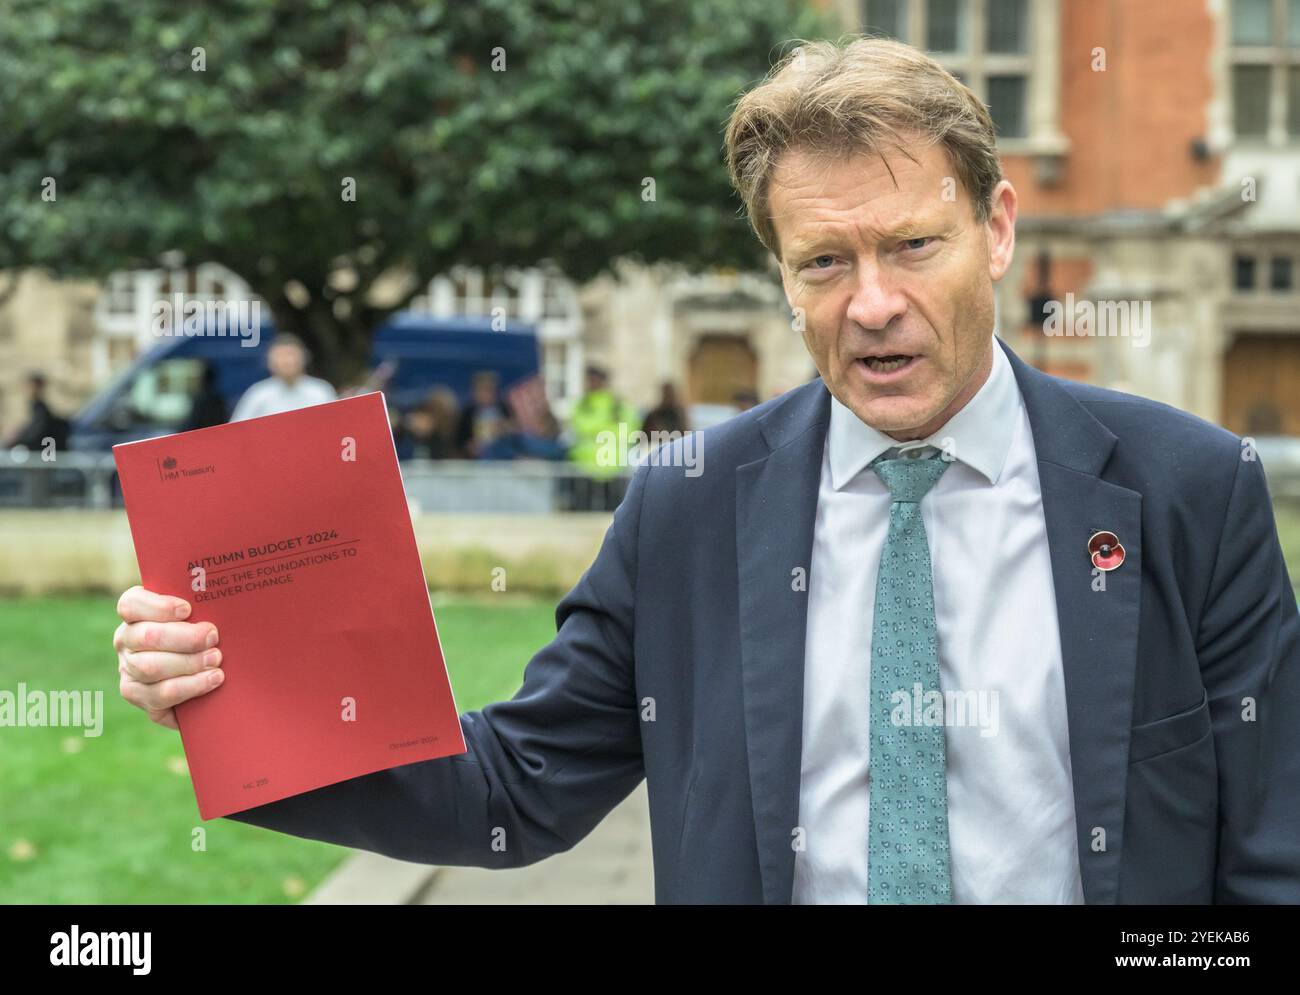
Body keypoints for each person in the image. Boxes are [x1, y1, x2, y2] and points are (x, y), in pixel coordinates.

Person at [112, 37, 1300, 904]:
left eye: (913, 246)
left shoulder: (1187, 489)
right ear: (779, 274)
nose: (872, 302)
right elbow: (513, 785)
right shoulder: (687, 502)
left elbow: (1269, 849)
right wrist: (233, 703)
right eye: (824, 259)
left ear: (994, 231)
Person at [229, 334, 336, 421]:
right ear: (270, 362)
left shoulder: (321, 391)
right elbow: (238, 430)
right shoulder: (258, 394)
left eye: (291, 354)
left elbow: (336, 424)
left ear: (304, 358)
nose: (287, 361)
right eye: (280, 356)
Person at [5, 372, 69, 452]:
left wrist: (15, 441)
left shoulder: (41, 410)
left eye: (32, 386)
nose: (30, 390)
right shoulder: (35, 407)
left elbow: (36, 433)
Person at [456, 371, 511, 458]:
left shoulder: (503, 408)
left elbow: (514, 431)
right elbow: (459, 439)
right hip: (476, 457)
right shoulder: (467, 412)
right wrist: (469, 446)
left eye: (490, 390)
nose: (486, 394)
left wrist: (506, 428)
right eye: (482, 390)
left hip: (501, 452)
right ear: (474, 392)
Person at [179, 362, 230, 432]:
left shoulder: (200, 399)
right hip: (215, 435)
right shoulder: (218, 399)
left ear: (203, 379)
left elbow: (192, 423)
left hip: (201, 435)